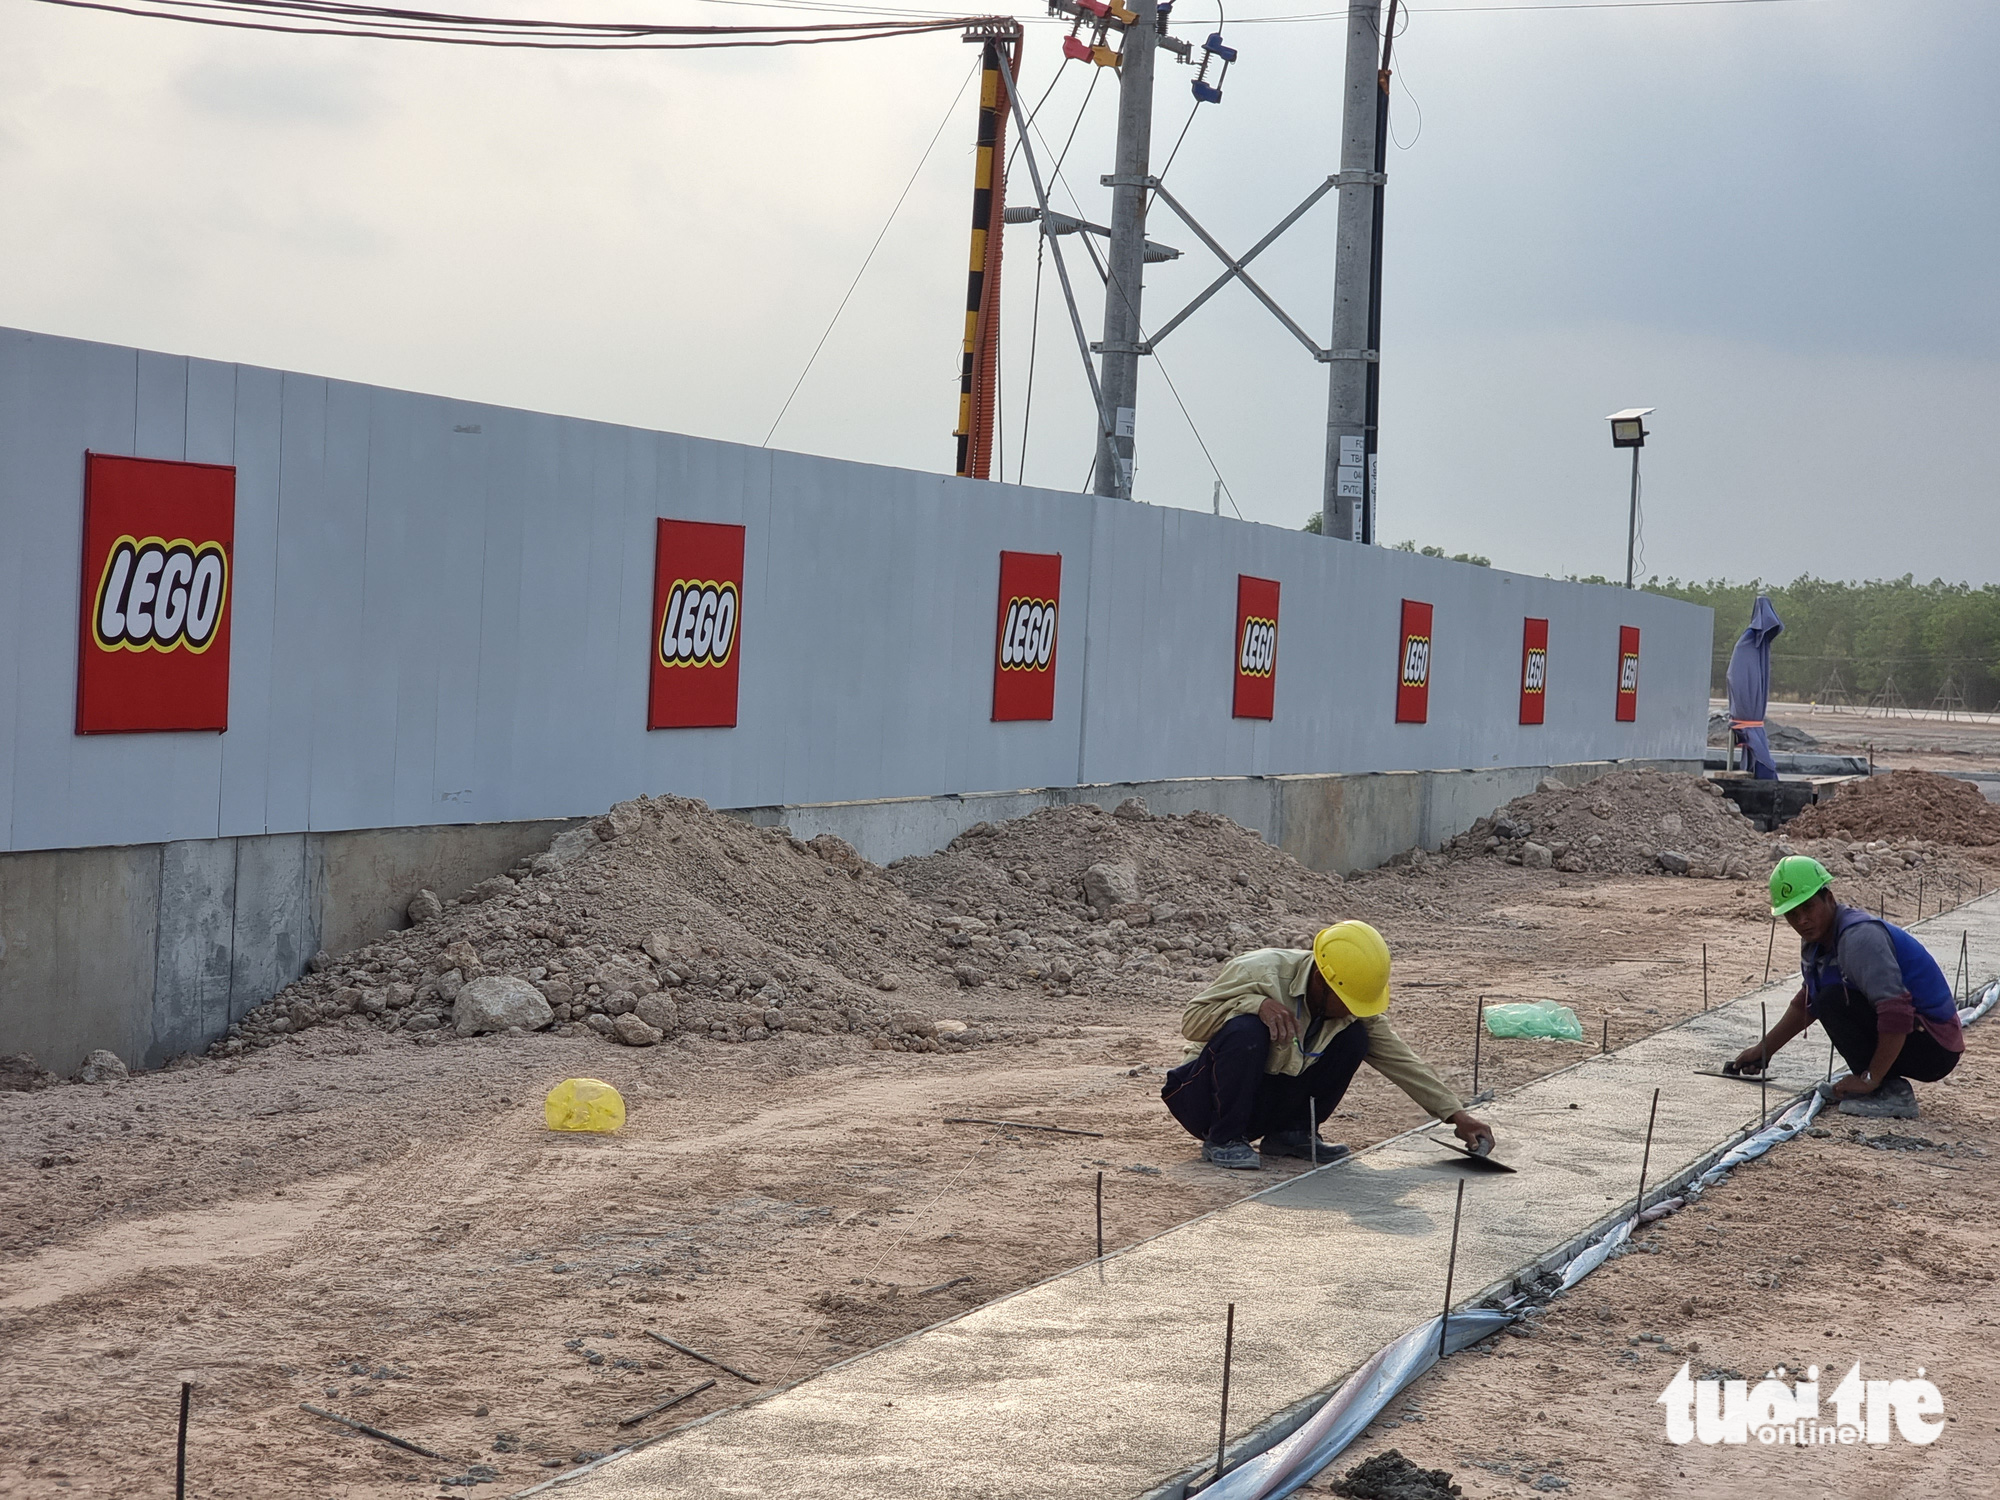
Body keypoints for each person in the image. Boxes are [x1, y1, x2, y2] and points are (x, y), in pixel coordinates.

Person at [1162, 920, 1494, 1170]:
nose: (1353, 1010)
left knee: (1355, 1038)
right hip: (1204, 1100)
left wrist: (1456, 1115)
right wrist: (1255, 1005)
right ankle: (1223, 1140)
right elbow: (1192, 1023)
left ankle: (1293, 1134)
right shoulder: (1261, 971)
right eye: (1348, 1000)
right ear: (1322, 981)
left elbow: (1400, 1059)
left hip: (1266, 1102)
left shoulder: (1349, 1012)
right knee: (1246, 1030)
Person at [1731, 855, 1963, 1119]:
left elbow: (1896, 1012)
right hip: (1918, 1035)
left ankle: (1889, 1090)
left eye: (1808, 908)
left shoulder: (1858, 938)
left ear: (1829, 899)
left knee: (1832, 999)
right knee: (1826, 997)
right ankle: (1878, 1083)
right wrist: (1763, 1050)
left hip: (1935, 1046)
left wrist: (1870, 1079)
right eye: (1792, 914)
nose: (1802, 920)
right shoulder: (1818, 940)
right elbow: (1808, 1000)